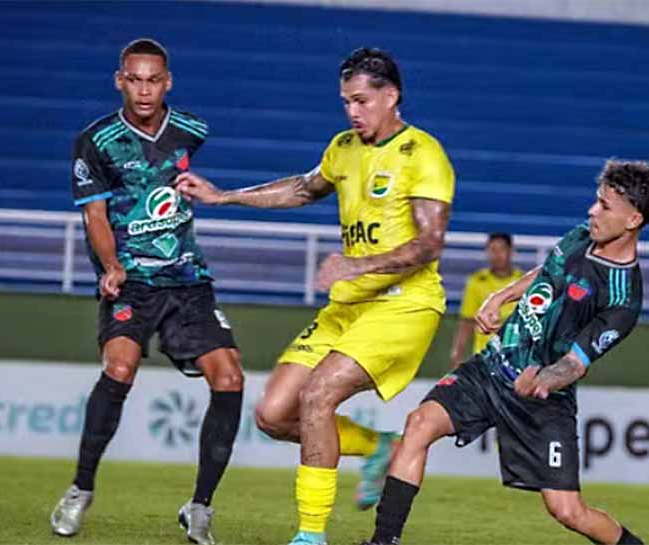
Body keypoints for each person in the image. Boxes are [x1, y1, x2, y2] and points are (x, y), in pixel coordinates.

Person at [177, 47, 455, 545]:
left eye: (361, 100)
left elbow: (430, 243)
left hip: (403, 304)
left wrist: (357, 264)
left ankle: (310, 534)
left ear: (391, 96)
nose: (352, 111)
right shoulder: (343, 147)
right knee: (273, 414)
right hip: (347, 306)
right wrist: (225, 196)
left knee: (318, 394)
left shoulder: (423, 153)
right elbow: (304, 189)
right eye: (346, 101)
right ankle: (380, 447)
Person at [364, 160, 649, 545]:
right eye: (596, 200)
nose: (592, 210)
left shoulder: (623, 299)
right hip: (493, 367)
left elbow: (575, 363)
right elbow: (548, 270)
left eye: (605, 206)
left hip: (542, 402)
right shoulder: (582, 235)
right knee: (420, 423)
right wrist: (501, 295)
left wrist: (543, 380)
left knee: (568, 511)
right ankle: (383, 541)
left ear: (633, 220)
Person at [50, 38, 244, 545]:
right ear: (120, 81)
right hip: (131, 280)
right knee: (119, 368)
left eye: (153, 80)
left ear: (167, 82)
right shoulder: (96, 141)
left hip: (187, 279)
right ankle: (81, 488)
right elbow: (95, 215)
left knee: (230, 378)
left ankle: (200, 507)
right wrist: (111, 265)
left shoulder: (191, 131)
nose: (143, 90)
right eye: (133, 79)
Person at [449, 233, 523, 367]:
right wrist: (457, 353)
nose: (497, 255)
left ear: (511, 251)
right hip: (484, 357)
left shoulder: (523, 282)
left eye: (501, 249)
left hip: (516, 357)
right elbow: (467, 321)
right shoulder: (476, 281)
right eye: (492, 250)